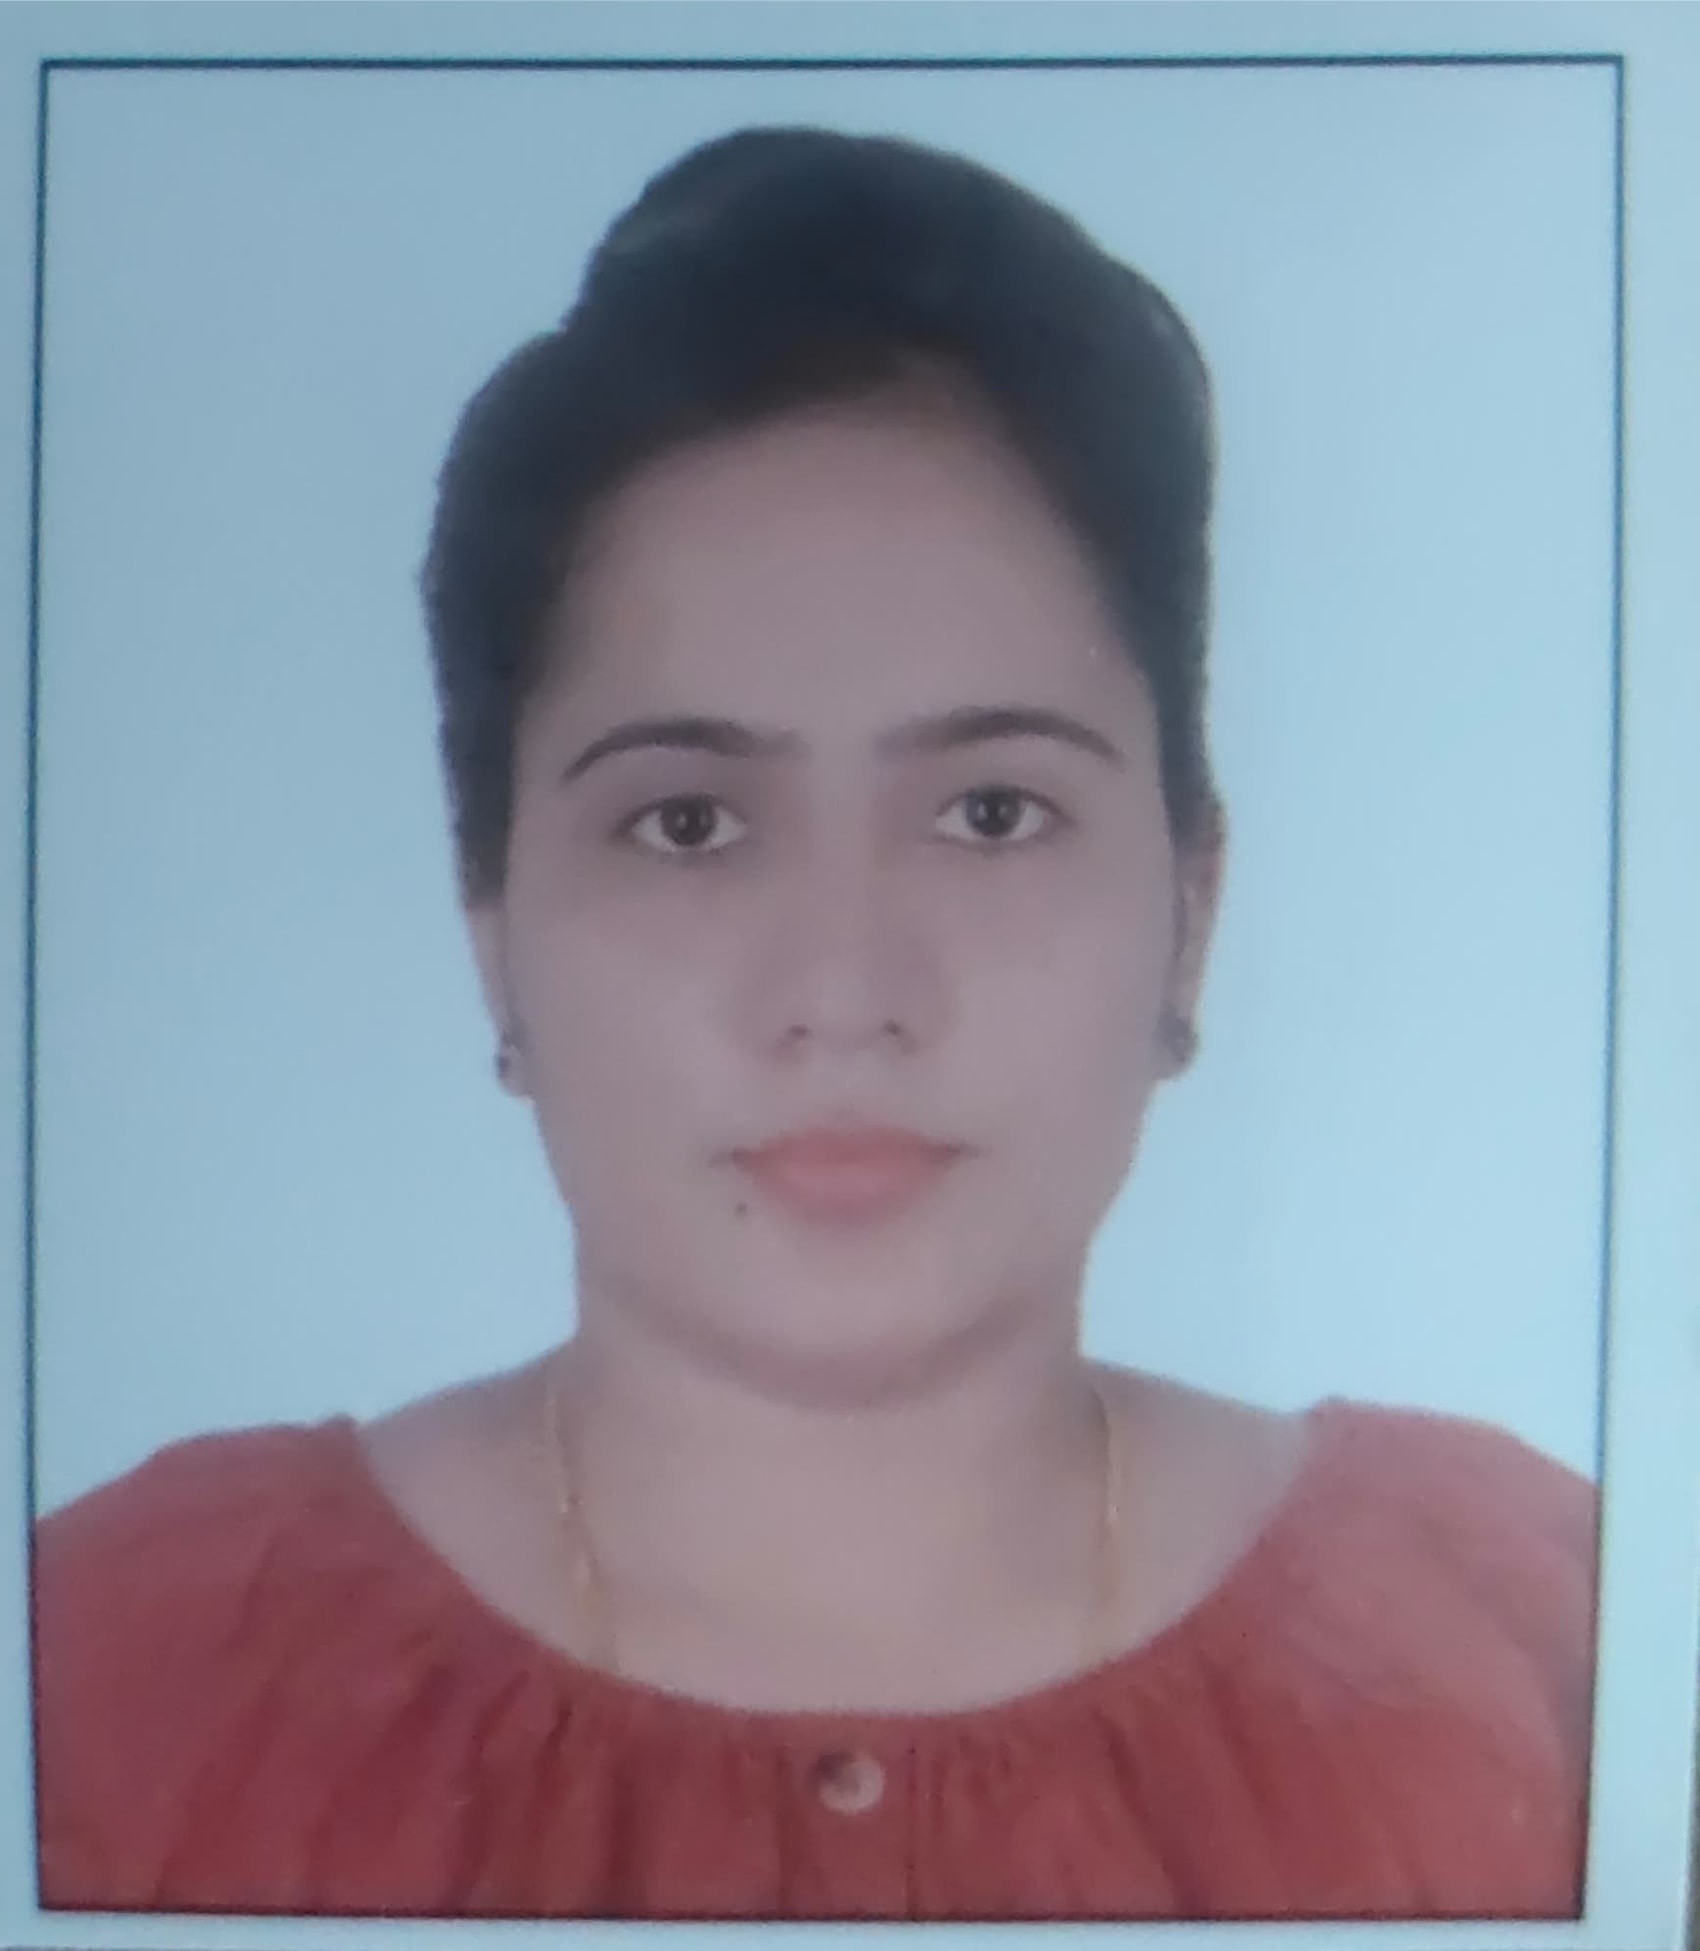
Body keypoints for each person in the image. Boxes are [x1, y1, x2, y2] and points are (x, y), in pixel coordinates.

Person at [32, 125, 1597, 1922]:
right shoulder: (114, 1687)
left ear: (1192, 906)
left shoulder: (1546, 1644)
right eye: (689, 823)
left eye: (991, 812)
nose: (845, 995)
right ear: (493, 932)